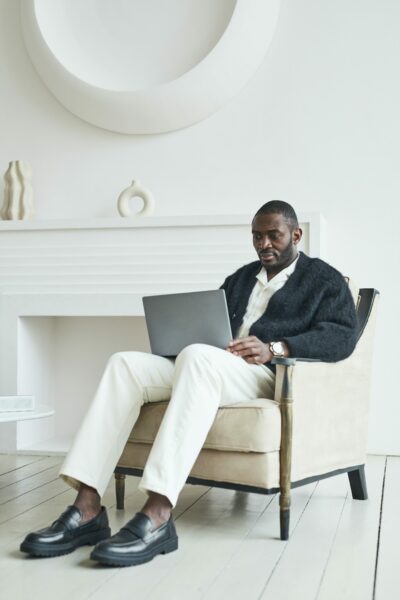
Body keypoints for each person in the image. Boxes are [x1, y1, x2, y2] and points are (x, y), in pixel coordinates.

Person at [20, 201, 358, 567]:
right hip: (212, 364)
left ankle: (159, 513)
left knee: (197, 357)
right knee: (125, 364)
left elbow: (342, 337)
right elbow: (211, 326)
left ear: (296, 234)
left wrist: (275, 348)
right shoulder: (243, 278)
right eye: (257, 236)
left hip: (265, 374)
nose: (264, 244)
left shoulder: (324, 280)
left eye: (273, 235)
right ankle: (86, 509)